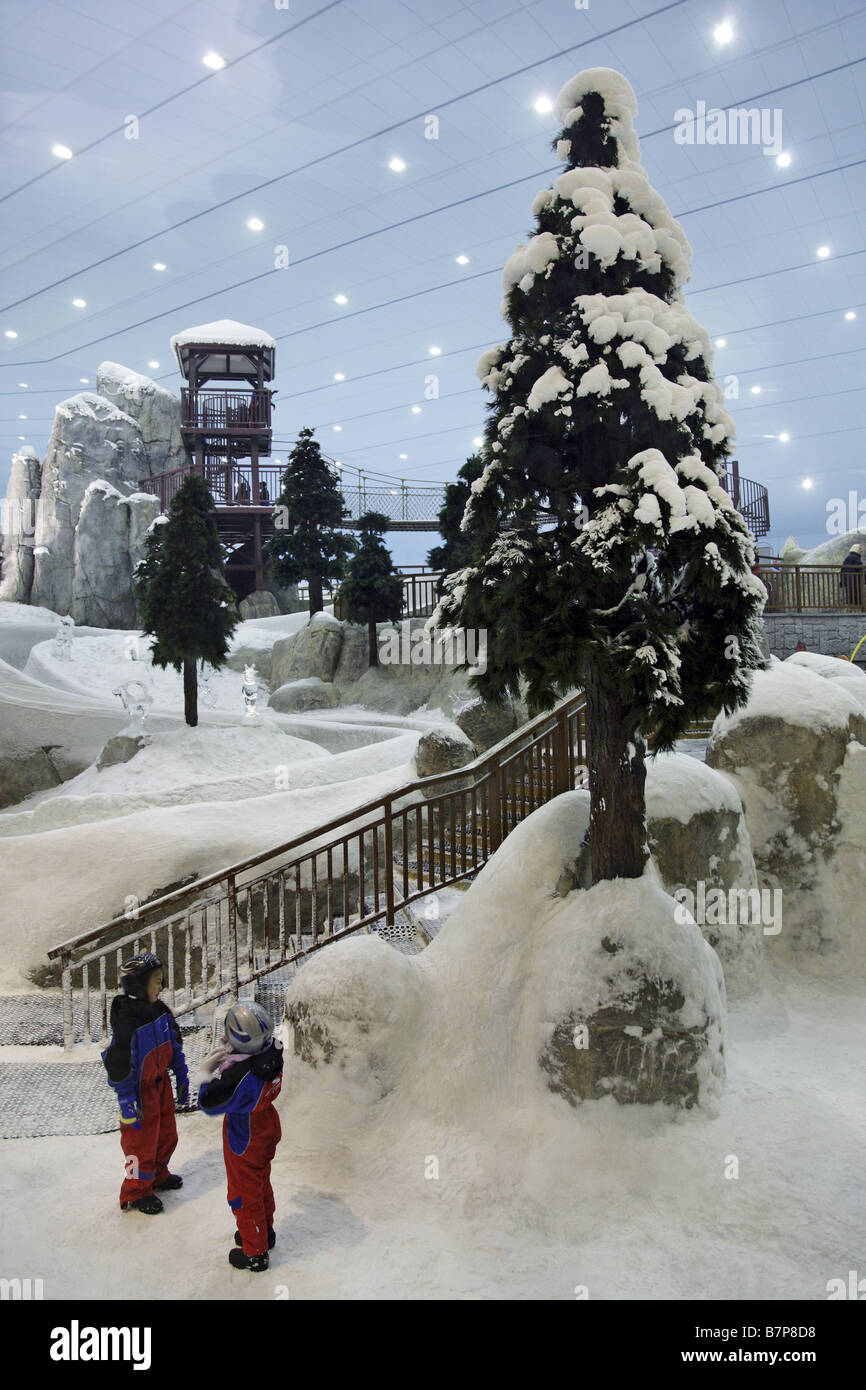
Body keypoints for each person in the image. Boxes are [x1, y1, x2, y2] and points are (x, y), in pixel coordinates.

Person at [197, 1001, 283, 1272]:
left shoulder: (240, 1079)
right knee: (260, 1182)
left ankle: (255, 1252)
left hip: (244, 1135)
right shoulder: (273, 1054)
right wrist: (233, 1052)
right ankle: (263, 1231)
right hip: (266, 1125)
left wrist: (205, 1073)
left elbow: (208, 1102)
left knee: (243, 1194)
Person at [102, 953, 189, 1214]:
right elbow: (116, 1064)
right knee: (139, 1145)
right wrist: (126, 1098)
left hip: (161, 1087)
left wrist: (181, 1074)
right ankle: (136, 1191)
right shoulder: (127, 1023)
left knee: (167, 1135)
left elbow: (174, 1043)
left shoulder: (160, 1011)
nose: (161, 988)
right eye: (157, 982)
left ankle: (157, 1174)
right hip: (138, 1095)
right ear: (138, 987)